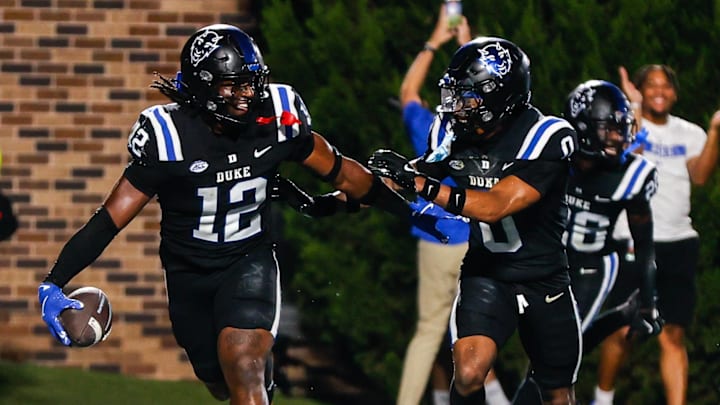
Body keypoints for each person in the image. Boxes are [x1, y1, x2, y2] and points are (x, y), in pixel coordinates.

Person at [37, 24, 445, 405]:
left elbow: (344, 172)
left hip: (248, 260)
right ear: (203, 87)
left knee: (243, 365)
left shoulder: (277, 119)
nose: (248, 93)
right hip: (188, 273)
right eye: (234, 85)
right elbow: (110, 219)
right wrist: (54, 282)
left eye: (252, 81)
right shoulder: (169, 137)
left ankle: (256, 362)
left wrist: (407, 210)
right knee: (220, 384)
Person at [369, 36, 582, 404]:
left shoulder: (547, 136)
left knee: (557, 393)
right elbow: (406, 175)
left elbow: (495, 205)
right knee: (468, 373)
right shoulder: (452, 133)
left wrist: (418, 183)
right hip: (488, 272)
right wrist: (341, 194)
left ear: (499, 97)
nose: (456, 104)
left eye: (467, 94)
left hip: (543, 276)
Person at [511, 80, 664, 404]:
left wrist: (649, 299)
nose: (618, 137)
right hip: (546, 261)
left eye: (621, 128)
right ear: (582, 128)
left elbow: (644, 243)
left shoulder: (631, 176)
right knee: (561, 350)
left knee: (551, 358)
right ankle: (621, 314)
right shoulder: (553, 156)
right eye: (609, 129)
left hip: (591, 267)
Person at [396, 6, 509, 405]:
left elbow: (408, 92)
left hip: (435, 236)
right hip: (477, 236)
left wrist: (434, 41)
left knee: (430, 332)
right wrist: (470, 48)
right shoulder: (489, 127)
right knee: (477, 330)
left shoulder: (428, 125)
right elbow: (494, 92)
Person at [593, 65, 720, 405]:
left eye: (666, 86)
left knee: (673, 335)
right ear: (640, 90)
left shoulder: (690, 133)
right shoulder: (625, 126)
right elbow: (623, 161)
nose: (659, 91)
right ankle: (602, 399)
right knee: (622, 330)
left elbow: (701, 176)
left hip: (679, 242)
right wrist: (632, 109)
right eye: (651, 85)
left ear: (675, 94)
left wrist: (715, 129)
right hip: (634, 239)